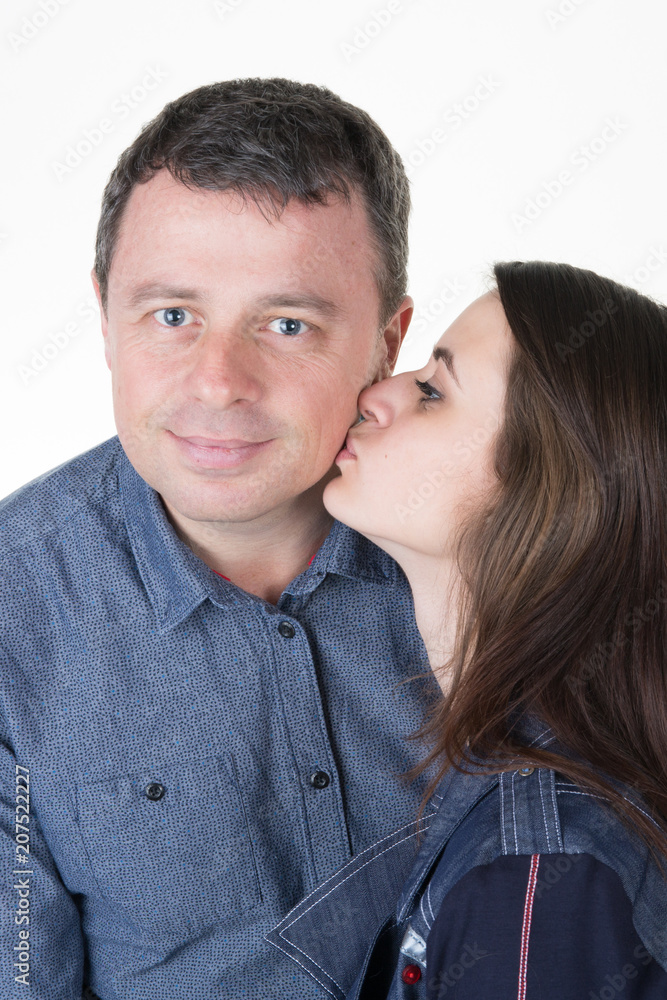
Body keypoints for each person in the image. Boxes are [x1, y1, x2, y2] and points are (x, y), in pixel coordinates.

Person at [0, 78, 442, 999]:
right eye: (172, 316)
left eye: (286, 324)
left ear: (386, 340)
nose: (218, 382)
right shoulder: (14, 615)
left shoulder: (496, 552)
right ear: (106, 318)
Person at [268, 261, 667, 998]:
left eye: (430, 393)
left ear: (542, 490)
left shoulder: (539, 869)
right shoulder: (521, 797)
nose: (376, 395)